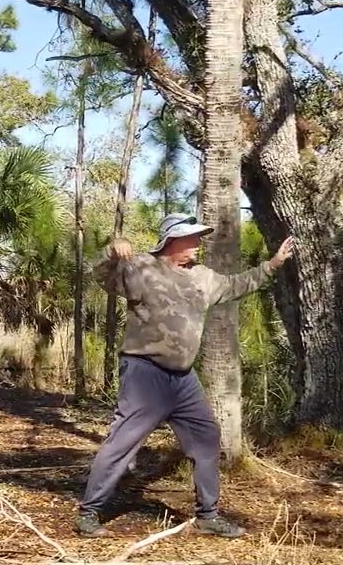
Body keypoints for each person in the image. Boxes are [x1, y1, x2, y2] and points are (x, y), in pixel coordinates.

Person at [74, 213, 295, 538]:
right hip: (145, 373)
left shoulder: (202, 277)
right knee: (123, 442)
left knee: (206, 437)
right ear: (173, 240)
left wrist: (272, 265)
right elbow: (102, 276)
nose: (197, 244)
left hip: (183, 379)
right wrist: (112, 251)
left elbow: (236, 285)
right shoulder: (142, 268)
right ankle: (89, 512)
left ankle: (208, 516)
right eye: (192, 238)